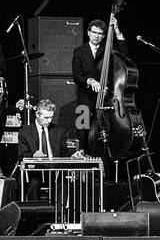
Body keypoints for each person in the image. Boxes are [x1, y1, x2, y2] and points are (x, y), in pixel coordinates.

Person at [16, 99, 84, 200]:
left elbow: (64, 152)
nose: (49, 121)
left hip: (54, 171)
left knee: (63, 181)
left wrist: (72, 156)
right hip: (35, 172)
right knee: (33, 184)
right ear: (37, 114)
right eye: (46, 117)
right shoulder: (24, 132)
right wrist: (33, 155)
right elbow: (22, 155)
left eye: (51, 117)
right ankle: (35, 214)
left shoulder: (59, 131)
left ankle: (60, 214)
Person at [72, 19, 111, 148]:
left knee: (104, 133)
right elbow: (77, 76)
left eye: (100, 33)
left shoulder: (107, 51)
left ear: (104, 36)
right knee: (82, 131)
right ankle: (82, 159)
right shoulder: (79, 51)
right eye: (94, 32)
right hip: (84, 99)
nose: (96, 36)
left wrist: (116, 31)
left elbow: (124, 54)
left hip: (105, 99)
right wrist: (90, 80)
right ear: (88, 33)